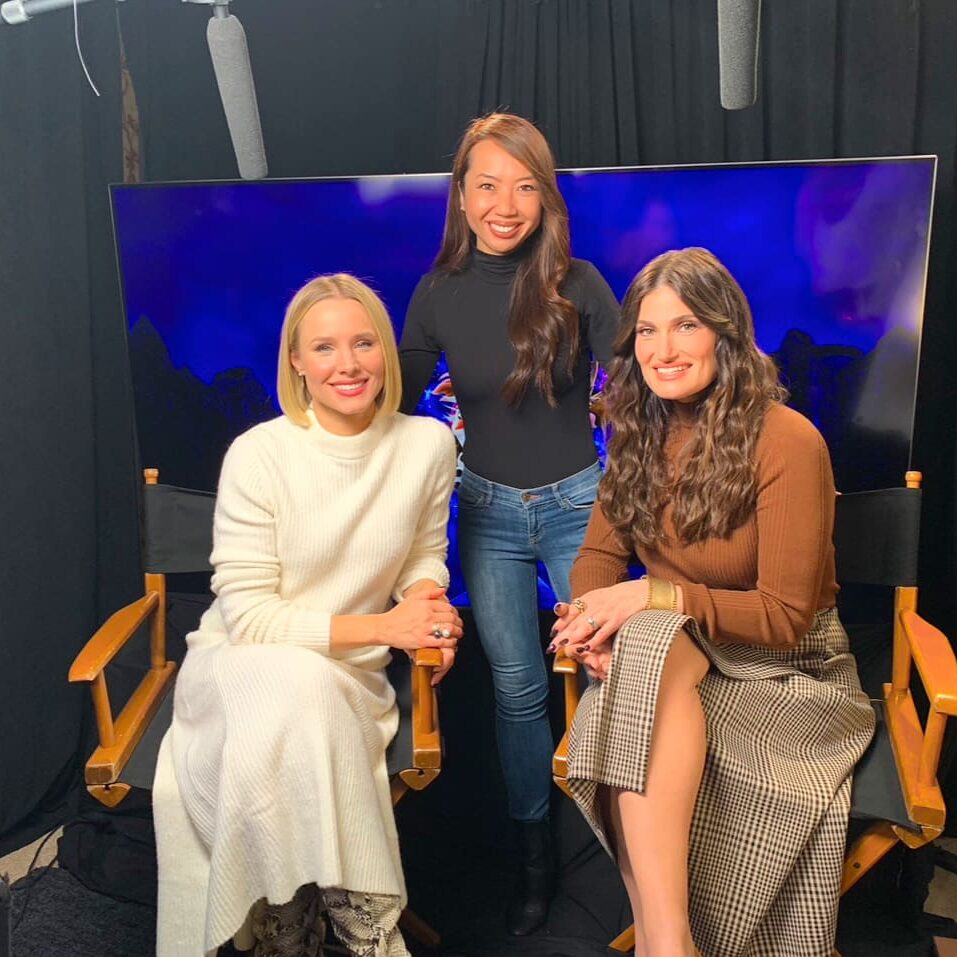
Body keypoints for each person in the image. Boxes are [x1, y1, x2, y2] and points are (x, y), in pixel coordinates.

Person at [550, 247, 875, 957]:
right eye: (646, 330)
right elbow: (598, 560)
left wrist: (654, 593)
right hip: (679, 654)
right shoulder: (634, 431)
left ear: (725, 334)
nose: (662, 349)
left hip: (787, 668)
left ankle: (661, 946)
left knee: (640, 656)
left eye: (685, 326)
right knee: (641, 644)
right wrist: (593, 622)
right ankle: (670, 944)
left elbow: (785, 618)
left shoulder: (787, 439)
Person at [154, 274, 460, 957]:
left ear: (384, 349)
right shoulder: (259, 454)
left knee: (311, 695)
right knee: (292, 690)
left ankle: (284, 925)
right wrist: (389, 628)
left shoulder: (426, 446)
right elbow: (253, 619)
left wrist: (425, 607)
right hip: (239, 666)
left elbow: (422, 555)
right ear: (295, 359)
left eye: (362, 343)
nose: (346, 364)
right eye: (323, 347)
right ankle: (361, 923)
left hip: (348, 673)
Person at [398, 112, 621, 934]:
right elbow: (386, 406)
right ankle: (534, 862)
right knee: (519, 691)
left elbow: (643, 381)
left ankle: (624, 843)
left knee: (612, 674)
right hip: (485, 512)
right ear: (460, 193)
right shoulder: (438, 292)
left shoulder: (581, 282)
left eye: (525, 185)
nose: (505, 202)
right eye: (487, 183)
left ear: (546, 197)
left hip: (579, 509)